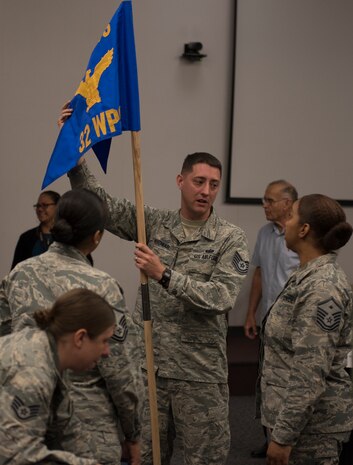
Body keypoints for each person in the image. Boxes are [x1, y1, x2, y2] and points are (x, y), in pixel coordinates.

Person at [67, 143, 249, 464]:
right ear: (181, 181)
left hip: (199, 376)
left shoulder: (230, 238)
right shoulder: (155, 224)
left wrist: (163, 274)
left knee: (204, 459)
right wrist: (74, 160)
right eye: (199, 181)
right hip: (150, 369)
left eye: (214, 184)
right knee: (149, 458)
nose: (206, 191)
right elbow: (102, 205)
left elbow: (221, 297)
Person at [0, 188, 141, 465]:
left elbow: (5, 337)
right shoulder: (103, 287)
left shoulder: (18, 274)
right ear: (97, 237)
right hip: (87, 426)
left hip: (21, 413)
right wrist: (133, 433)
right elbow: (121, 371)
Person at [261, 194, 353, 465]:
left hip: (312, 430)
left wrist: (284, 437)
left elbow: (310, 371)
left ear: (304, 230)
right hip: (296, 421)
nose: (284, 222)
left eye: (290, 216)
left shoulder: (323, 287)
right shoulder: (306, 275)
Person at [0, 287, 116, 465]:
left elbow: (66, 430)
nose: (107, 352)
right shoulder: (32, 373)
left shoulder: (52, 353)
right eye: (104, 341)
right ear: (80, 338)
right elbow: (17, 456)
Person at [243, 180, 299, 458]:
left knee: (291, 382)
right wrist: (251, 312)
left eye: (269, 200)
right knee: (266, 380)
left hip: (296, 327)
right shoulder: (265, 233)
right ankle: (270, 439)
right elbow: (259, 274)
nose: (264, 205)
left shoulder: (302, 233)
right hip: (268, 321)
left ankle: (290, 441)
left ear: (287, 204)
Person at [11, 190, 60, 269]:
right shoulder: (26, 238)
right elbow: (15, 272)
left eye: (45, 205)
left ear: (58, 206)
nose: (40, 209)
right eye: (38, 206)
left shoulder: (67, 237)